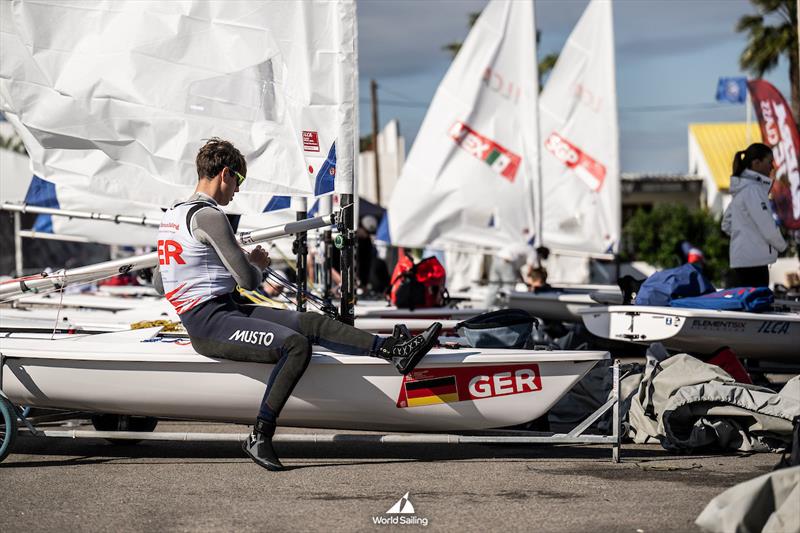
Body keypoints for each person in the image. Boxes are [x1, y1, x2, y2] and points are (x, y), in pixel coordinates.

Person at [154, 138, 441, 471]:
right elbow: (249, 280)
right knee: (295, 345)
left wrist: (209, 269)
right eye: (239, 182)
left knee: (311, 323)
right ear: (225, 174)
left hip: (220, 311)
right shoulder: (210, 217)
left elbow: (162, 281)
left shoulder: (172, 217)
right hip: (210, 323)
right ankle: (260, 435)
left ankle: (392, 350)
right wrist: (257, 262)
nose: (236, 191)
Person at [721, 143, 787, 288]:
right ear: (756, 163)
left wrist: (746, 236)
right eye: (769, 162)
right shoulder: (753, 190)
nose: (772, 167)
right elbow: (767, 226)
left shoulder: (742, 190)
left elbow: (726, 223)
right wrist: (783, 246)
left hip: (740, 264)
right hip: (754, 267)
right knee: (756, 307)